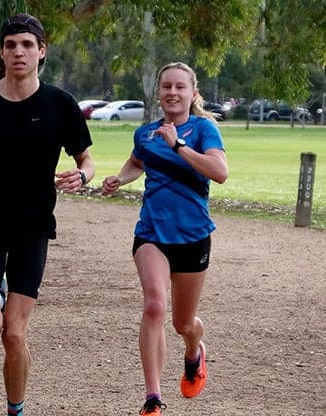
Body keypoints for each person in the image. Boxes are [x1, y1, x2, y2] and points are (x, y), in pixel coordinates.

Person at [0, 13, 94, 416]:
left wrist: (82, 176)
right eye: (11, 45)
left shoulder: (59, 104)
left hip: (32, 228)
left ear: (41, 51)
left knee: (14, 333)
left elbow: (86, 159)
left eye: (27, 45)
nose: (19, 52)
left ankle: (15, 409)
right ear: (1, 52)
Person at [101, 62, 229, 416]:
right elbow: (136, 162)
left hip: (193, 236)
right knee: (155, 305)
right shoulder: (145, 133)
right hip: (151, 234)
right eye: (166, 87)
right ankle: (153, 399)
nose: (172, 93)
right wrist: (119, 179)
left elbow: (220, 173)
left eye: (180, 87)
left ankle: (194, 351)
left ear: (192, 93)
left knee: (182, 324)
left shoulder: (203, 130)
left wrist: (178, 146)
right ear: (159, 92)